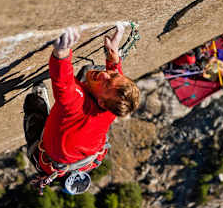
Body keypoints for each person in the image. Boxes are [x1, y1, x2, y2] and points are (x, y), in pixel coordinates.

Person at [23, 24, 140, 194]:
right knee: (91, 72)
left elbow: (63, 81)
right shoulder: (111, 105)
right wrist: (113, 54)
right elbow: (116, 80)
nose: (105, 75)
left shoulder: (76, 102)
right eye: (112, 76)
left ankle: (40, 101)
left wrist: (62, 52)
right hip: (79, 155)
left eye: (106, 83)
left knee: (34, 103)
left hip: (50, 156)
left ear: (101, 103)